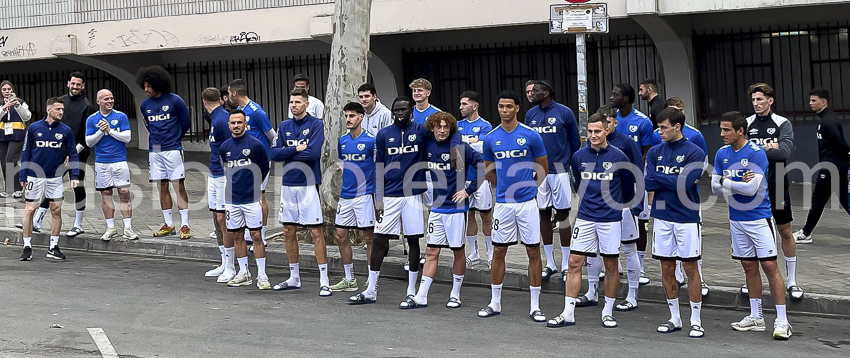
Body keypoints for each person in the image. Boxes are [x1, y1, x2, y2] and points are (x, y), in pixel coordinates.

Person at [347, 96, 460, 305]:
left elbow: (452, 131)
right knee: (379, 240)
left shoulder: (422, 131)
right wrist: (377, 199)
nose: (401, 113)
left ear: (411, 111)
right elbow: (378, 167)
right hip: (389, 195)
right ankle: (371, 289)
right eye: (397, 110)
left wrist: (454, 147)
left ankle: (411, 290)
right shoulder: (383, 134)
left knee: (413, 241)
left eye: (404, 109)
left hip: (413, 195)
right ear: (392, 112)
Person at [547, 113, 633, 328]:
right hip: (585, 217)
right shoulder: (578, 156)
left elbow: (628, 187)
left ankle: (607, 311)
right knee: (574, 262)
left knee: (611, 265)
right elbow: (577, 184)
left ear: (607, 131)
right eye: (590, 131)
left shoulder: (619, 156)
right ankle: (568, 313)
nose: (593, 135)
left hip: (610, 219)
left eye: (597, 131)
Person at [712, 111, 792, 340]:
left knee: (769, 267)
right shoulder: (721, 153)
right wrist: (733, 182)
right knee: (748, 266)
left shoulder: (756, 154)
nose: (722, 134)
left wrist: (725, 182)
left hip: (759, 218)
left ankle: (782, 320)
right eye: (721, 129)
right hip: (736, 219)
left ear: (740, 131)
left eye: (727, 130)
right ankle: (756, 317)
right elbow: (715, 187)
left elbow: (751, 190)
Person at [478, 90, 549, 323]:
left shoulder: (530, 135)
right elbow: (490, 171)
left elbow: (542, 167)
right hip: (503, 205)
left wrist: (528, 188)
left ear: (517, 108)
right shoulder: (491, 137)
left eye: (509, 106)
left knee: (533, 251)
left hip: (528, 203)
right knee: (499, 251)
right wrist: (504, 190)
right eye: (501, 106)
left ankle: (535, 306)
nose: (504, 110)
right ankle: (495, 302)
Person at [400, 112, 483, 309]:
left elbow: (481, 165)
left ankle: (455, 294)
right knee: (431, 251)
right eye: (439, 127)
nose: (442, 130)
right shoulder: (428, 145)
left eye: (446, 127)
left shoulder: (460, 147)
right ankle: (422, 295)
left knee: (457, 251)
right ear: (433, 128)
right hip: (437, 208)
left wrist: (468, 190)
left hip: (456, 209)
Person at [645, 108, 706, 338]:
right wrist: (672, 179)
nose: (659, 131)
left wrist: (662, 179)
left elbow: (685, 184)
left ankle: (696, 321)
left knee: (690, 267)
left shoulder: (695, 152)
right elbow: (647, 182)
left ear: (677, 127)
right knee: (666, 267)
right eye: (658, 127)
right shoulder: (654, 152)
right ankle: (675, 318)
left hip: (687, 217)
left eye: (663, 127)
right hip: (661, 215)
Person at [744, 83, 803, 300]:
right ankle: (751, 280)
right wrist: (770, 147)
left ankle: (792, 281)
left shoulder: (782, 123)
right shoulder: (746, 123)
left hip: (777, 184)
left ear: (770, 100)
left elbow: (784, 153)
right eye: (753, 100)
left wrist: (757, 149)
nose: (756, 104)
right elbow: (741, 154)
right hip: (752, 186)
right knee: (754, 234)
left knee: (785, 231)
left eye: (760, 99)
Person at [581, 105, 643, 311]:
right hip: (595, 210)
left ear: (613, 122)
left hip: (622, 208)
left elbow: (637, 173)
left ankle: (632, 295)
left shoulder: (626, 143)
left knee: (628, 248)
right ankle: (591, 292)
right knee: (593, 251)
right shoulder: (589, 148)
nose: (601, 129)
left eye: (608, 122)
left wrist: (634, 204)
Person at [271, 88, 330, 296]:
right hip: (288, 184)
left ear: (306, 104)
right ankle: (294, 277)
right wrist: (295, 150)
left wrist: (288, 153)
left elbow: (313, 153)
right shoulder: (284, 125)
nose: (293, 105)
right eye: (291, 102)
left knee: (315, 231)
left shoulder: (316, 124)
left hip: (308, 183)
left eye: (297, 102)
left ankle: (324, 279)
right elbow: (274, 153)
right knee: (288, 230)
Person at [526, 80, 580, 282]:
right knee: (543, 213)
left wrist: (568, 164)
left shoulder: (564, 112)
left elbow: (574, 141)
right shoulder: (531, 114)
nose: (532, 93)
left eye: (536, 90)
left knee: (563, 214)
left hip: (560, 171)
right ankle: (549, 263)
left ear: (547, 92)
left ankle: (566, 263)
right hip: (539, 172)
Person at [19, 97, 80, 261]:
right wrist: (23, 175)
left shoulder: (66, 131)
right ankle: (27, 246)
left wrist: (75, 175)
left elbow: (73, 154)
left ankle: (53, 247)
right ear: (49, 109)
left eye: (62, 109)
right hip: (34, 176)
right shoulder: (33, 128)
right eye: (58, 109)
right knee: (30, 210)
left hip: (55, 177)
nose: (61, 112)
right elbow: (26, 152)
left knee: (56, 211)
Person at [35, 72, 95, 237]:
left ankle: (78, 224)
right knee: (52, 185)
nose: (75, 87)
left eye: (79, 84)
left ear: (83, 86)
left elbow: (86, 136)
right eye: (73, 83)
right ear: (68, 83)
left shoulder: (87, 106)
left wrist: (73, 153)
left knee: (78, 186)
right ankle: (37, 221)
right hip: (58, 153)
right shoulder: (59, 102)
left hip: (78, 153)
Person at [137, 66, 193, 239]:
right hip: (155, 150)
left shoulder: (175, 101)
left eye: (148, 86)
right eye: (144, 86)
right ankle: (168, 224)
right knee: (161, 186)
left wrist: (175, 138)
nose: (145, 89)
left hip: (173, 148)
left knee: (178, 185)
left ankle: (185, 224)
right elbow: (148, 126)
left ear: (158, 84)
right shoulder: (144, 105)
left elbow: (186, 123)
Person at [218, 110, 271, 289]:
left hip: (251, 199)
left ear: (245, 124)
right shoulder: (224, 147)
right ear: (229, 125)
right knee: (237, 235)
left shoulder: (256, 145)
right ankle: (244, 272)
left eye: (239, 122)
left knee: (256, 236)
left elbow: (264, 169)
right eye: (233, 123)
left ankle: (262, 275)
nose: (236, 126)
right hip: (232, 200)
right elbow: (225, 170)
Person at [793, 88, 850, 244]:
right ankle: (806, 232)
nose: (810, 103)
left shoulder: (829, 121)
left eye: (813, 100)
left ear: (823, 102)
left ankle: (805, 233)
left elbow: (841, 144)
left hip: (832, 168)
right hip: (833, 167)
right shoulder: (825, 119)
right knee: (843, 200)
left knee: (819, 200)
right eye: (810, 100)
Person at [330, 102, 376, 292]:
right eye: (346, 116)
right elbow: (342, 164)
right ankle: (349, 279)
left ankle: (373, 279)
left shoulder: (371, 141)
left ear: (361, 117)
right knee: (340, 235)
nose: (348, 120)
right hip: (345, 196)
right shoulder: (342, 141)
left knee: (369, 238)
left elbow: (378, 167)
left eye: (352, 116)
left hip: (365, 195)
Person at [84, 89, 137, 241]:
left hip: (120, 160)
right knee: (106, 194)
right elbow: (89, 141)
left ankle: (128, 228)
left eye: (111, 98)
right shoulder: (92, 119)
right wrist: (101, 131)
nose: (109, 101)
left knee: (124, 192)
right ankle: (110, 227)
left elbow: (127, 137)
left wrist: (109, 130)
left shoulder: (121, 116)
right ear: (98, 101)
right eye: (106, 99)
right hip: (102, 162)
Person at [228, 79, 275, 249]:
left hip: (259, 161)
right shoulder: (239, 111)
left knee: (259, 196)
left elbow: (272, 135)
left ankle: (261, 235)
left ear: (234, 93)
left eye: (228, 93)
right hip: (244, 161)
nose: (227, 97)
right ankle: (250, 231)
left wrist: (268, 155)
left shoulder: (256, 112)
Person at [201, 87, 236, 282]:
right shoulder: (216, 117)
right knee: (216, 216)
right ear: (220, 100)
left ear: (204, 102)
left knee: (224, 219)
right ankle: (224, 261)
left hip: (223, 174)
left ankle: (231, 265)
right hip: (214, 173)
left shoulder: (222, 119)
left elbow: (232, 145)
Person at [457, 91, 494, 267]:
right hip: (462, 177)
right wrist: (471, 141)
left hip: (481, 178)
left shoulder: (485, 125)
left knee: (486, 216)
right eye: (461, 104)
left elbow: (483, 147)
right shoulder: (457, 125)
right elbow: (456, 147)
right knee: (468, 214)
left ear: (474, 106)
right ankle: (474, 253)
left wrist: (467, 143)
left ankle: (490, 253)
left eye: (464, 104)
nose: (461, 107)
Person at [0, 80, 31, 199]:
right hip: (3, 135)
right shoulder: (1, 104)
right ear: (1, 92)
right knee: (3, 163)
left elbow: (27, 116)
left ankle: (18, 187)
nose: (7, 92)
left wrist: (17, 106)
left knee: (10, 160)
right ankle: (8, 189)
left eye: (9, 89)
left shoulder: (21, 103)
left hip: (17, 135)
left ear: (12, 90)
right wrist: (4, 107)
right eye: (4, 89)